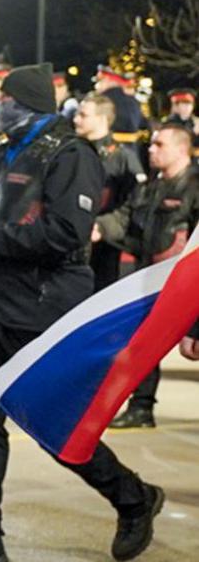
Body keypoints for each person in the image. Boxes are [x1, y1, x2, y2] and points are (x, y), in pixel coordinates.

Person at [0, 63, 164, 562]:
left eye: (4, 98)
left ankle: (133, 497)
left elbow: (66, 235)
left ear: (24, 101)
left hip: (43, 309)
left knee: (57, 428)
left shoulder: (70, 154)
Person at [99, 123, 199, 429]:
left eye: (159, 145)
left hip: (189, 285)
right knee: (141, 344)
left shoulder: (195, 188)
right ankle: (141, 406)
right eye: (152, 144)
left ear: (182, 149)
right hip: (152, 280)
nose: (151, 150)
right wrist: (98, 227)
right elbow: (125, 219)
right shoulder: (148, 189)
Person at [75, 92, 145, 291]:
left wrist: (104, 227)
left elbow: (133, 203)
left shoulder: (123, 158)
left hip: (104, 246)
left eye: (83, 115)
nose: (76, 119)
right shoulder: (71, 153)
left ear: (102, 119)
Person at [94, 65, 147, 142]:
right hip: (132, 148)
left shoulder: (103, 100)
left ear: (107, 80)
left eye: (99, 81)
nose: (97, 86)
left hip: (107, 144)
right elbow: (143, 124)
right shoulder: (134, 101)